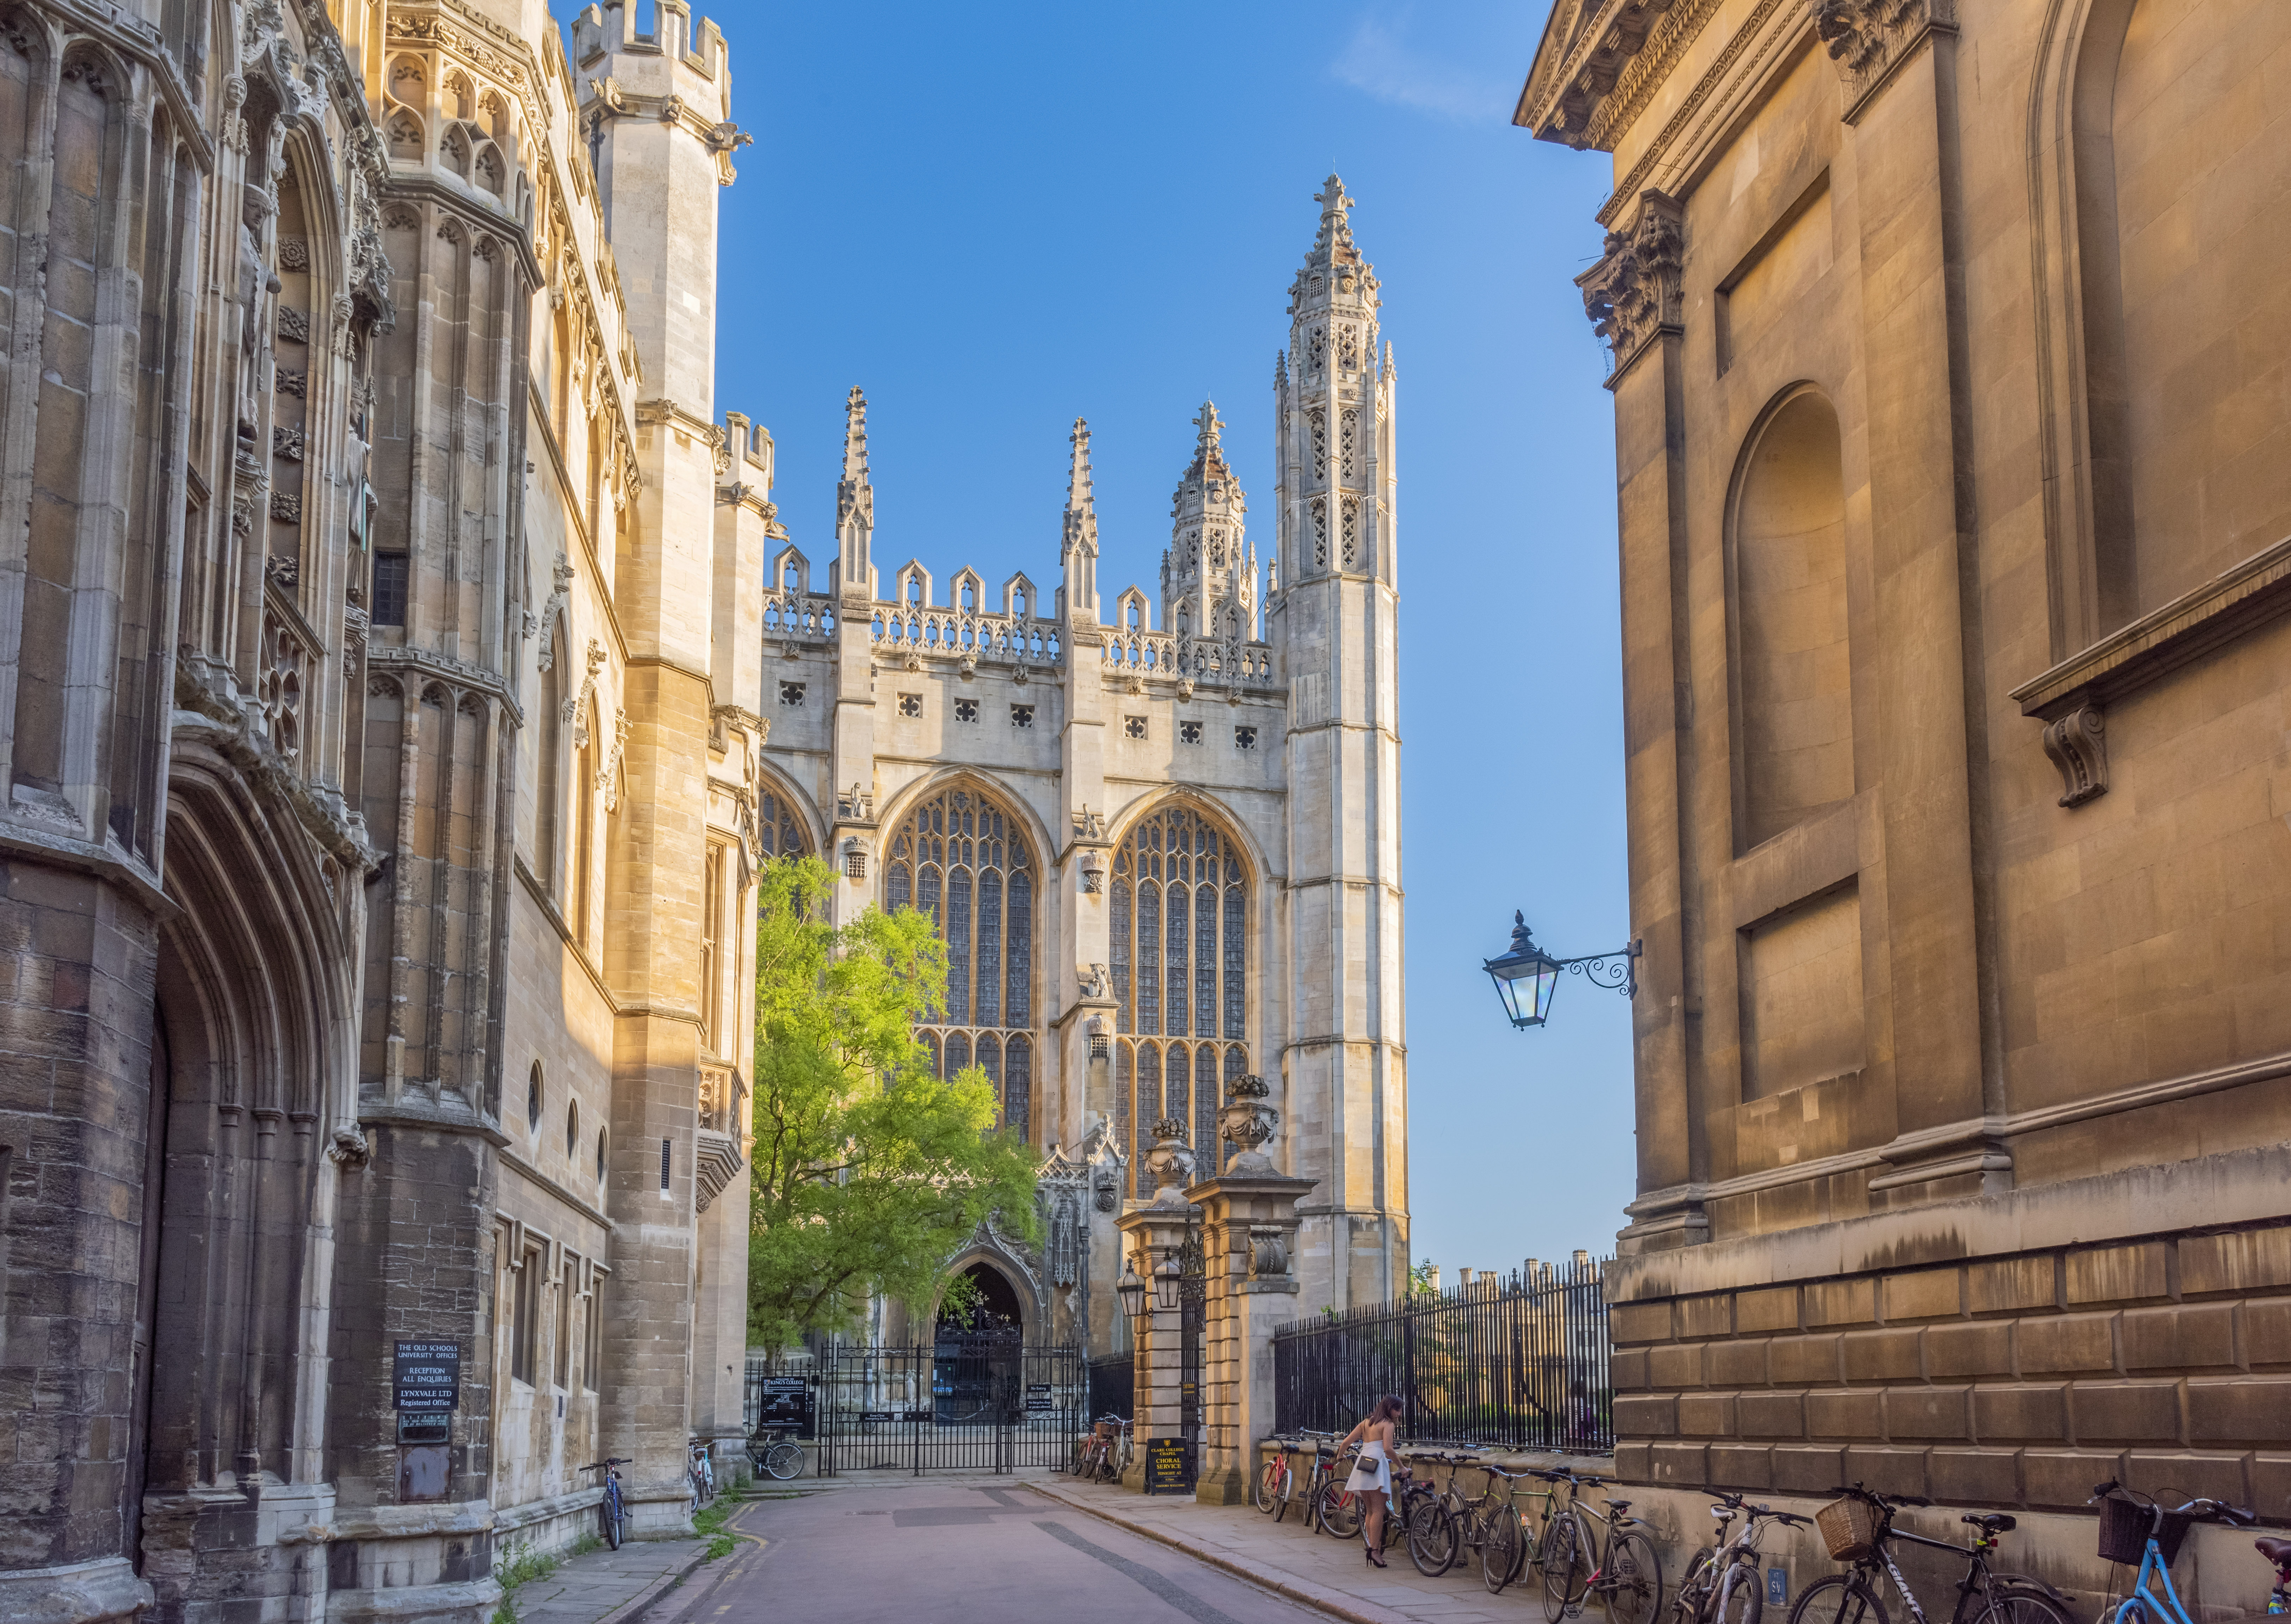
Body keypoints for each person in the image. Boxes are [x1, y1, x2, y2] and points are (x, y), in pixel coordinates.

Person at [1338, 1395, 1404, 1568]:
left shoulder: (1366, 1423)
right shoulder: (1388, 1424)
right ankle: (1375, 1550)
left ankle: (1371, 1546)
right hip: (1376, 1466)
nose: (1399, 1413)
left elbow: (1346, 1442)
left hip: (1363, 1465)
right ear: (1390, 1409)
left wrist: (1340, 1455)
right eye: (1397, 1410)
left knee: (1369, 1511)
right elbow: (1388, 1449)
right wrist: (1402, 1467)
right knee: (1378, 1511)